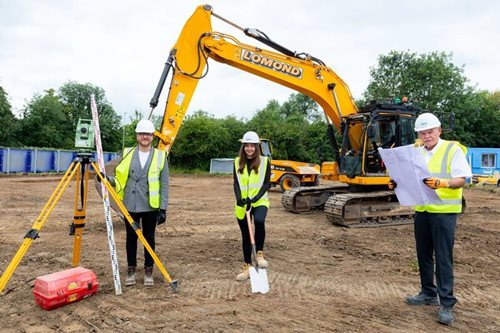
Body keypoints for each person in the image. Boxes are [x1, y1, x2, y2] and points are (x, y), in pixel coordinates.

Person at [392, 113, 471, 326]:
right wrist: (396, 183)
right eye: (422, 133)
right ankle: (428, 291)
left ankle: (446, 303)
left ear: (439, 131)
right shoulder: (416, 151)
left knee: (443, 257)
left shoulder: (452, 149)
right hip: (423, 209)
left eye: (430, 132)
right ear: (418, 134)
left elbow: (462, 179)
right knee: (424, 253)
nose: (426, 136)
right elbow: (410, 178)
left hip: (444, 211)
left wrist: (442, 183)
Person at [107, 119, 169, 286]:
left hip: (151, 205)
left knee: (149, 238)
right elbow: (120, 178)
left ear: (152, 137)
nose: (145, 137)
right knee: (131, 238)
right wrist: (107, 179)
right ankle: (131, 270)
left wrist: (163, 208)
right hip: (130, 204)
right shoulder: (127, 153)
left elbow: (164, 184)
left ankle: (149, 270)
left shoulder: (160, 156)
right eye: (142, 134)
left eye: (148, 134)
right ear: (137, 136)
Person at [233, 131, 271, 281]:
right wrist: (239, 199)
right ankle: (247, 266)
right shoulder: (237, 162)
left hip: (259, 200)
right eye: (246, 146)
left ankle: (259, 254)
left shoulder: (265, 161)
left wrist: (254, 198)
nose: (249, 148)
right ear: (243, 147)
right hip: (242, 203)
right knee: (246, 235)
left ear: (257, 147)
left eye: (252, 146)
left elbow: (266, 183)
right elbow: (235, 183)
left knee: (260, 222)